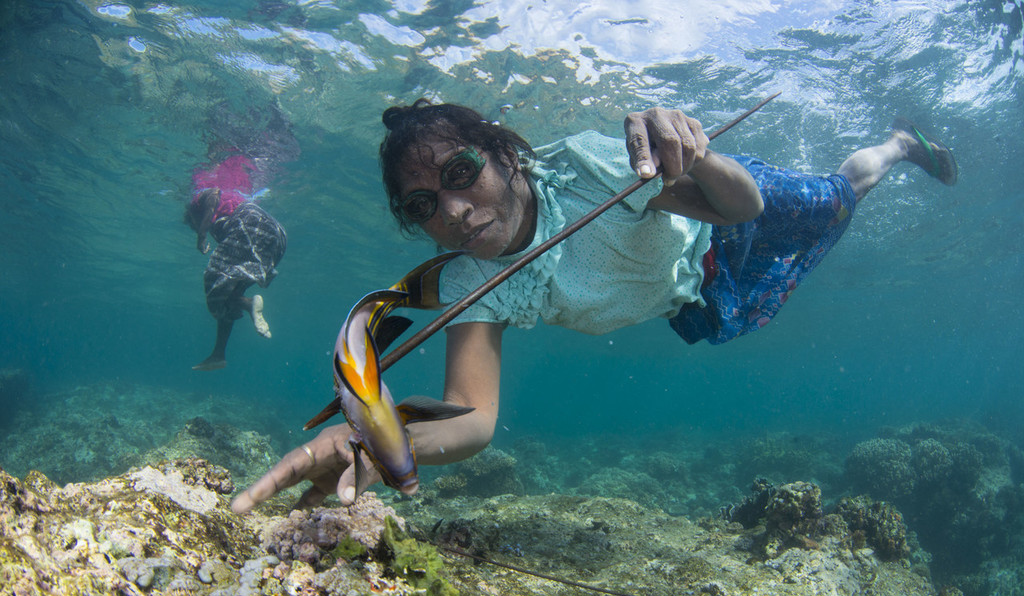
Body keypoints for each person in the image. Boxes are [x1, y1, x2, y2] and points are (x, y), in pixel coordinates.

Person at [231, 100, 956, 514]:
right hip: (697, 293)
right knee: (831, 215)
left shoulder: (589, 171)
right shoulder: (466, 283)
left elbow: (744, 206)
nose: (453, 209)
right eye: (424, 205)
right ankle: (882, 155)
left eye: (462, 174)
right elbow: (473, 419)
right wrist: (379, 439)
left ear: (507, 157)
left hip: (721, 217)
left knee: (836, 200)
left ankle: (892, 146)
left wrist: (693, 154)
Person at [185, 106, 299, 371]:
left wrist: (201, 236)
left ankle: (249, 305)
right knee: (228, 288)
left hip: (249, 223)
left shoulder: (201, 197)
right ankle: (219, 353)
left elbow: (212, 195)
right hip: (274, 232)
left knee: (213, 282)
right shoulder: (234, 199)